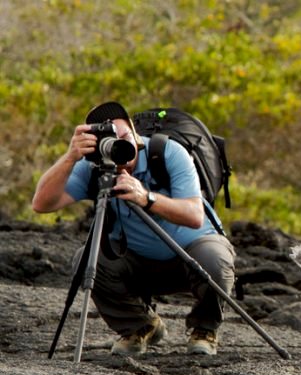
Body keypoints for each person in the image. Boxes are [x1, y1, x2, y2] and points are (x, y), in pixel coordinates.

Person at [32, 101, 236, 356]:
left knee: (216, 259)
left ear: (135, 133)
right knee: (86, 260)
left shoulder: (168, 153)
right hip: (137, 263)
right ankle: (140, 327)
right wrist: (70, 157)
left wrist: (146, 197)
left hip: (191, 254)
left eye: (125, 138)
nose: (122, 149)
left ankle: (204, 329)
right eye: (112, 142)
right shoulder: (94, 167)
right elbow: (41, 203)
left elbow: (195, 215)